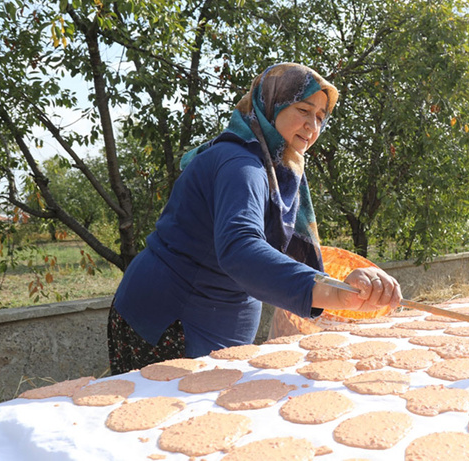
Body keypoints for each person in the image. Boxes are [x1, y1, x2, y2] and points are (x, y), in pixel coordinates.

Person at [107, 63, 402, 375]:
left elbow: (270, 253)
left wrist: (335, 283)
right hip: (171, 320)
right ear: (271, 105)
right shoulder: (240, 165)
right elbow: (241, 249)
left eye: (320, 117)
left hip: (216, 320)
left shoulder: (276, 168)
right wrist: (334, 292)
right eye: (303, 109)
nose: (312, 125)